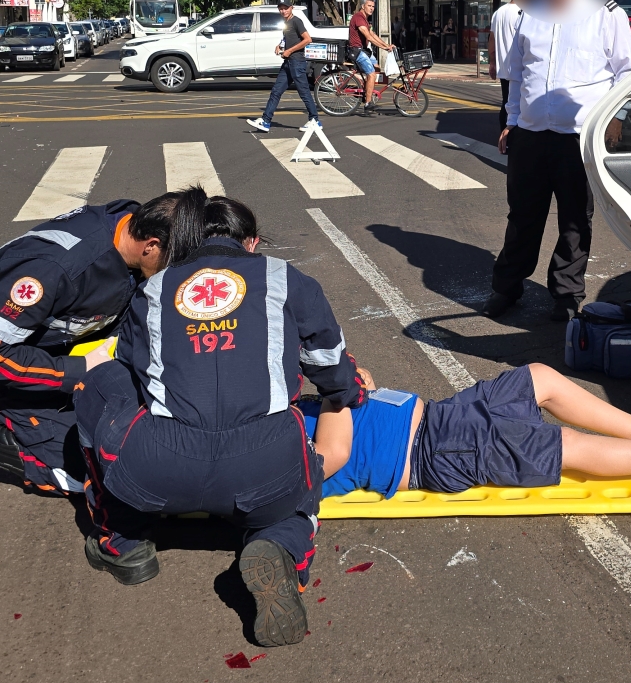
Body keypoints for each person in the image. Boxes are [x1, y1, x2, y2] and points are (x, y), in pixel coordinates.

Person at [74, 190, 365, 649]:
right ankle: (282, 546)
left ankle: (123, 541)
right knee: (297, 499)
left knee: (99, 381)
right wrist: (351, 391)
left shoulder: (153, 289)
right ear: (251, 242)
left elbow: (133, 370)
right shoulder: (286, 278)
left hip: (160, 468)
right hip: (265, 468)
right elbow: (330, 364)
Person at [304, 363, 631, 502]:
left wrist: (354, 378)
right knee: (555, 444)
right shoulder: (271, 455)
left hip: (440, 416)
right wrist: (334, 394)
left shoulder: (273, 413)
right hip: (431, 453)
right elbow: (329, 457)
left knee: (538, 377)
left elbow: (360, 390)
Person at [483, 0, 631, 323]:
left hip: (579, 137)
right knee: (522, 216)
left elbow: (627, 73)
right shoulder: (530, 13)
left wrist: (614, 121)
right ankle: (507, 287)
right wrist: (511, 123)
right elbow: (517, 76)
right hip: (530, 136)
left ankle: (566, 296)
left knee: (574, 220)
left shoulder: (606, 13)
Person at [0, 196, 181, 493]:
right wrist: (78, 370)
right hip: (14, 372)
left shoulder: (130, 232)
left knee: (138, 439)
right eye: (171, 261)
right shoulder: (54, 269)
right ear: (150, 245)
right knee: (97, 473)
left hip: (57, 349)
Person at [246, 0, 320, 133]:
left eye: (285, 8)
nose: (283, 11)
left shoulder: (296, 21)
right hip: (288, 62)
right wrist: (280, 45)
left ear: (291, 8)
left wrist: (290, 51)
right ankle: (266, 121)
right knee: (276, 91)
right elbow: (288, 38)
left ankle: (315, 120)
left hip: (297, 62)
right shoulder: (286, 22)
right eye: (280, 8)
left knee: (303, 92)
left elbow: (308, 39)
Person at [348, 0, 394, 115]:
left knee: (377, 68)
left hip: (364, 50)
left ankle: (366, 89)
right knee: (372, 74)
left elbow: (372, 34)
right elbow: (368, 37)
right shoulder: (358, 18)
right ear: (363, 6)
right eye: (369, 6)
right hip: (357, 51)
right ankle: (368, 103)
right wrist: (384, 48)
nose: (372, 8)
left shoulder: (365, 19)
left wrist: (387, 45)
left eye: (373, 6)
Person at [489, 0, 523, 132]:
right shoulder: (523, 12)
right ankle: (513, 136)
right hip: (520, 67)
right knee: (520, 105)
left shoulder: (498, 12)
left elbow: (492, 38)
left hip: (503, 67)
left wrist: (492, 63)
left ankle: (504, 134)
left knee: (506, 102)